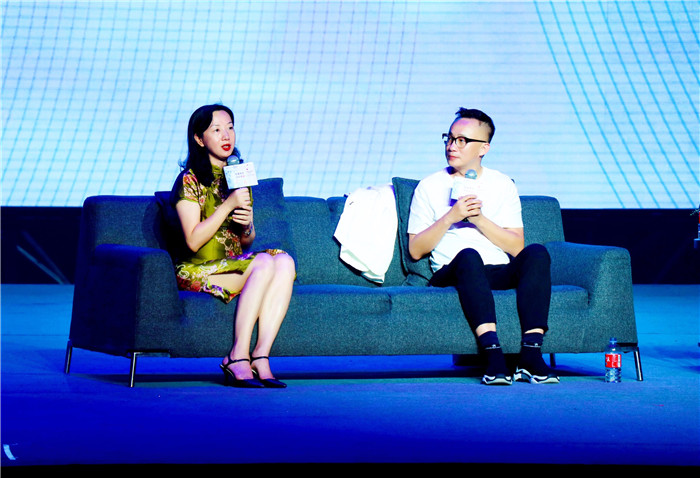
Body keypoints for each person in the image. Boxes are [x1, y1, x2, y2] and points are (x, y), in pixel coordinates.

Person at [407, 108, 559, 385]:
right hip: (453, 271)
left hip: (496, 270)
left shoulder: (502, 184)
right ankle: (493, 356)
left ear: (484, 148)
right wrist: (451, 217)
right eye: (449, 138)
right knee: (469, 256)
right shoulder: (429, 186)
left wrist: (478, 219)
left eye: (462, 140)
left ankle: (531, 355)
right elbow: (416, 249)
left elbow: (516, 247)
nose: (452, 146)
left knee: (537, 252)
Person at [171, 104, 296, 388]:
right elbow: (193, 240)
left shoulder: (238, 178)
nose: (226, 135)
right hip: (196, 268)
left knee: (284, 261)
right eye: (216, 130)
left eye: (230, 127)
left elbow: (245, 241)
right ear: (199, 138)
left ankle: (260, 355)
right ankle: (237, 356)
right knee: (263, 262)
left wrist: (247, 224)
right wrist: (228, 205)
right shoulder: (189, 180)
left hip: (235, 263)